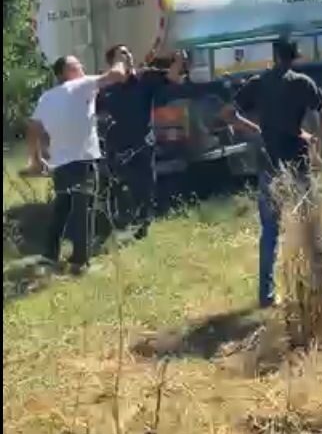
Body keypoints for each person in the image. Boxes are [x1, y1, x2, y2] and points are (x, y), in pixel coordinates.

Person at [225, 38, 322, 308]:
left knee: (270, 230)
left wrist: (255, 130)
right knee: (313, 226)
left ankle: (266, 296)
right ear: (295, 58)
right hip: (298, 165)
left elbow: (227, 113)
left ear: (274, 56)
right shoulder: (301, 82)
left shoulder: (258, 82)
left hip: (270, 166)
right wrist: (315, 138)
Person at [99, 49, 232, 238]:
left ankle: (141, 226)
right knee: (120, 187)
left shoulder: (144, 80)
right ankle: (122, 222)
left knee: (145, 188)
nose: (127, 56)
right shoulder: (105, 88)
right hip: (117, 146)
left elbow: (171, 77)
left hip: (141, 145)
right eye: (121, 55)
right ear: (111, 62)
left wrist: (179, 60)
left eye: (128, 53)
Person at [26, 49, 130, 273]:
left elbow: (33, 128)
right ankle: (79, 262)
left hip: (60, 164)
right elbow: (117, 75)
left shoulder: (47, 97)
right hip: (83, 160)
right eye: (79, 65)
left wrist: (36, 159)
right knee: (84, 207)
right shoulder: (82, 85)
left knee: (62, 207)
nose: (83, 68)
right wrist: (121, 57)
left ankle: (49, 255)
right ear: (69, 71)